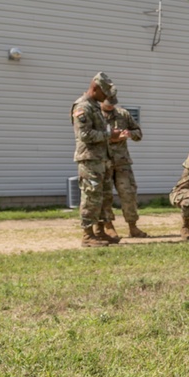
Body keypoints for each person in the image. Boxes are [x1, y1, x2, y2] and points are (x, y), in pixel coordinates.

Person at [71, 71, 120, 248]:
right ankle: (87, 235)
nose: (106, 96)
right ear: (95, 87)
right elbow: (84, 135)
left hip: (102, 159)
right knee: (91, 196)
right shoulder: (82, 106)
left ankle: (100, 231)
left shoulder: (94, 106)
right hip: (90, 160)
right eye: (104, 92)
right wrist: (109, 134)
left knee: (104, 196)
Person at [99, 100, 149, 240]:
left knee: (129, 193)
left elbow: (138, 133)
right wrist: (112, 138)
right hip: (103, 162)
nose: (110, 105)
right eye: (107, 101)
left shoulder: (123, 114)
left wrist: (129, 134)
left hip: (122, 162)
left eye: (112, 102)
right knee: (105, 195)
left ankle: (133, 227)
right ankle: (109, 227)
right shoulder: (95, 114)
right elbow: (89, 136)